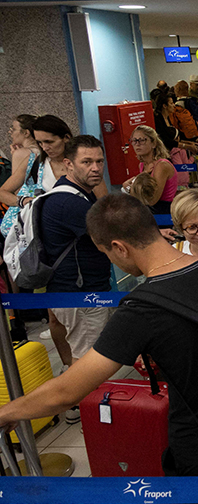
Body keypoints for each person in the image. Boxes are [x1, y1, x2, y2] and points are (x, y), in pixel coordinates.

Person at [1, 194, 198, 504]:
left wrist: (7, 414)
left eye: (107, 253)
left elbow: (67, 392)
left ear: (119, 247)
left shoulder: (142, 309)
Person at [41, 134, 113, 377]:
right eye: (86, 162)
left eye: (99, 161)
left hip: (73, 292)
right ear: (68, 164)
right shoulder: (69, 202)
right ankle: (84, 411)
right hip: (81, 297)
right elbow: (110, 239)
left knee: (80, 360)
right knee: (89, 367)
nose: (95, 168)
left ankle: (77, 408)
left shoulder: (80, 193)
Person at [1, 114, 41, 237]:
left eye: (13, 129)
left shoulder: (21, 153)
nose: (10, 132)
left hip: (25, 209)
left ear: (26, 133)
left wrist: (16, 156)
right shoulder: (40, 151)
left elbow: (17, 189)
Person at [122, 125, 177, 214]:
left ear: (153, 143)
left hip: (162, 213)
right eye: (134, 140)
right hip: (147, 211)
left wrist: (128, 189)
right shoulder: (142, 165)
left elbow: (152, 199)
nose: (137, 144)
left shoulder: (161, 165)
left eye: (142, 140)